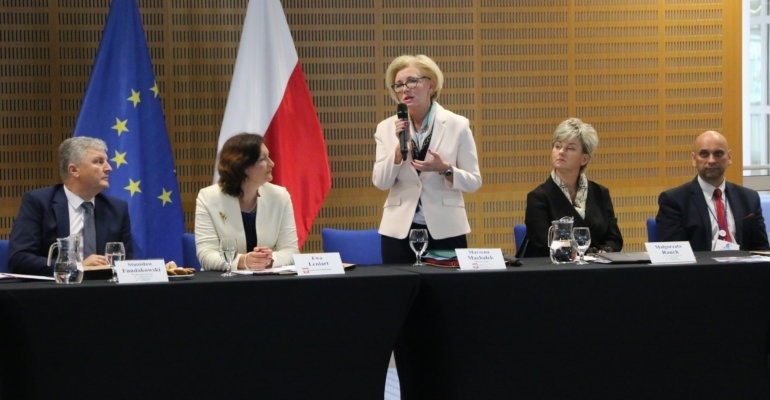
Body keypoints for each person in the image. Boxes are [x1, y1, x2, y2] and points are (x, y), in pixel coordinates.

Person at [373, 54, 482, 264]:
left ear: (431, 85)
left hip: (446, 228)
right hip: (398, 231)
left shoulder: (457, 125)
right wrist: (397, 153)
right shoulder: (385, 128)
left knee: (446, 285)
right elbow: (381, 182)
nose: (405, 89)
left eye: (412, 81)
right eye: (398, 85)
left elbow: (474, 181)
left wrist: (445, 169)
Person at [8, 137, 133, 276]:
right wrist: (76, 266)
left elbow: (127, 262)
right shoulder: (39, 203)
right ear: (74, 170)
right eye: (98, 162)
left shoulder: (117, 209)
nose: (109, 168)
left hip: (105, 287)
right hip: (58, 287)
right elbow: (19, 259)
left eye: (106, 161)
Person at [519, 118, 623, 258]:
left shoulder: (600, 193)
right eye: (557, 146)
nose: (561, 152)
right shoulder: (538, 197)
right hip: (558, 268)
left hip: (597, 266)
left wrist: (605, 251)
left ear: (584, 159)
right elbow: (541, 243)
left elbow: (614, 238)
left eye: (570, 148)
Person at [195, 133, 299, 271]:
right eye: (263, 159)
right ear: (242, 166)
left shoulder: (280, 196)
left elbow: (291, 251)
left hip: (269, 279)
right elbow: (206, 255)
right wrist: (243, 261)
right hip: (225, 281)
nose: (272, 163)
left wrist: (269, 259)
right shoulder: (208, 198)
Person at [656, 130, 770, 251]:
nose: (711, 160)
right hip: (699, 263)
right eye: (704, 154)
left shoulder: (749, 198)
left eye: (718, 154)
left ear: (729, 158)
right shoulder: (674, 200)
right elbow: (675, 254)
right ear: (694, 159)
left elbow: (762, 249)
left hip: (742, 263)